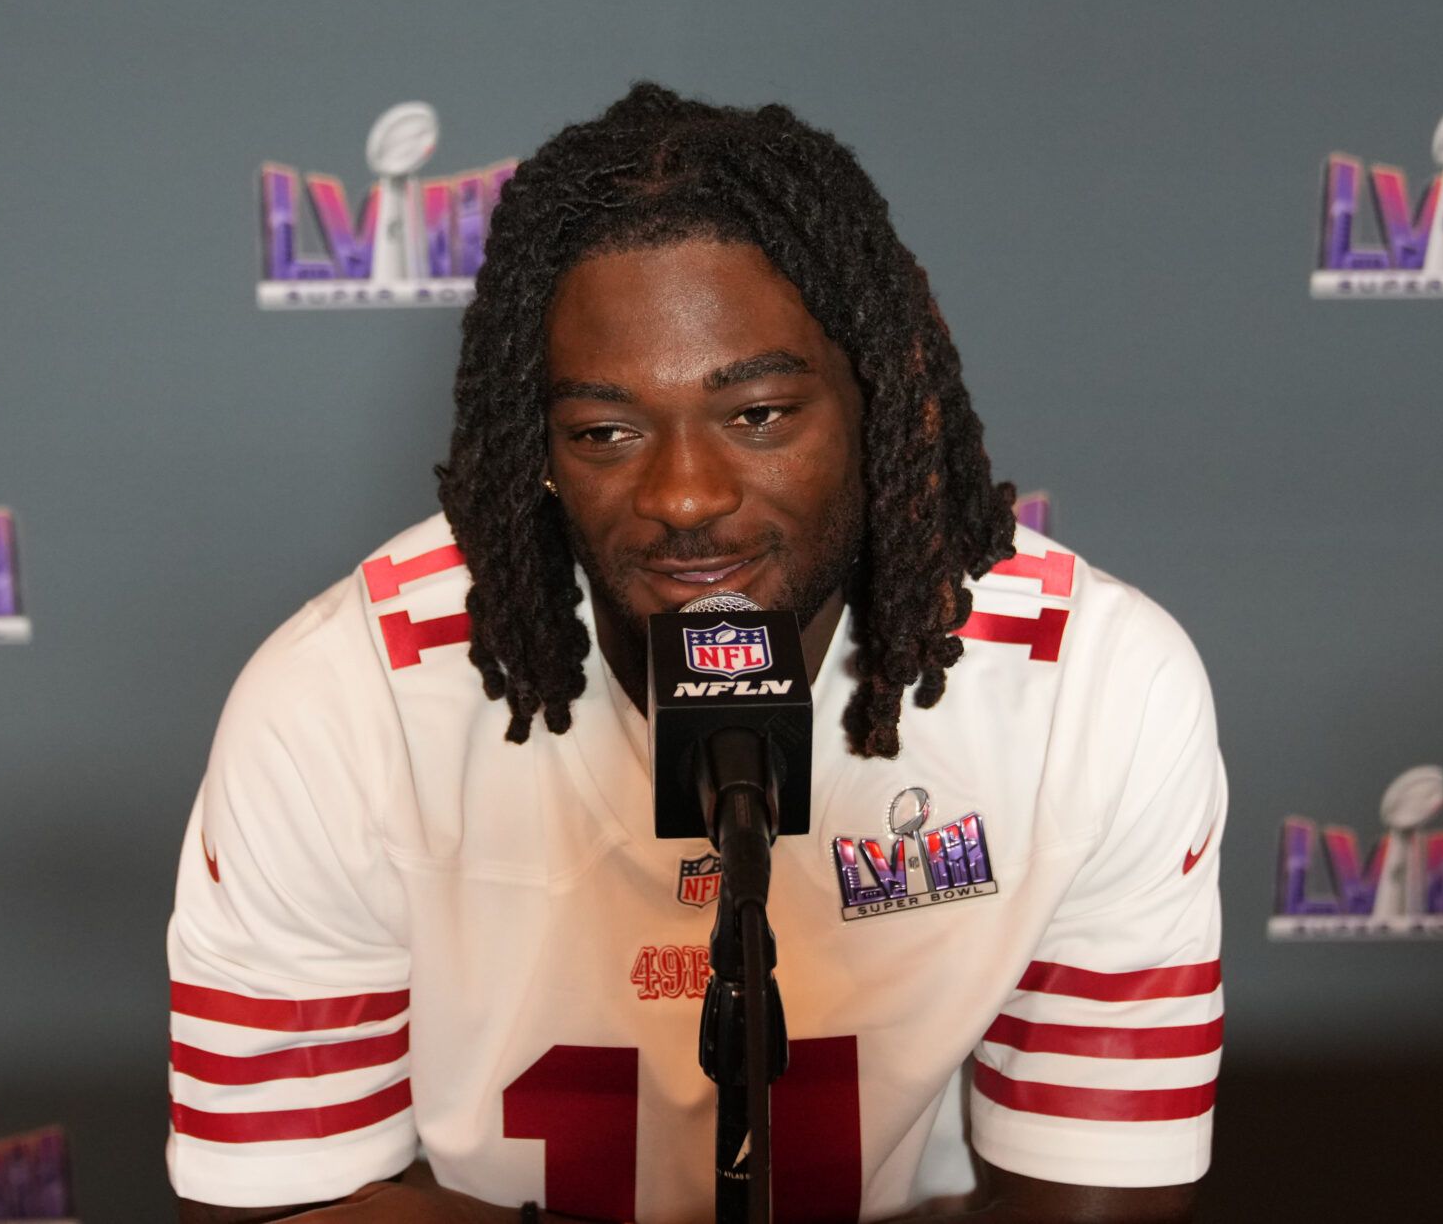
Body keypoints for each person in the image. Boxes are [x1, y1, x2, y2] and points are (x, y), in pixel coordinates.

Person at [168, 84, 1225, 1224]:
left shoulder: (1094, 690)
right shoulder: (342, 700)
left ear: (883, 393)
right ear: (535, 444)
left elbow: (1097, 1196)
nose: (684, 496)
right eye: (604, 432)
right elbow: (277, 1202)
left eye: (760, 414)